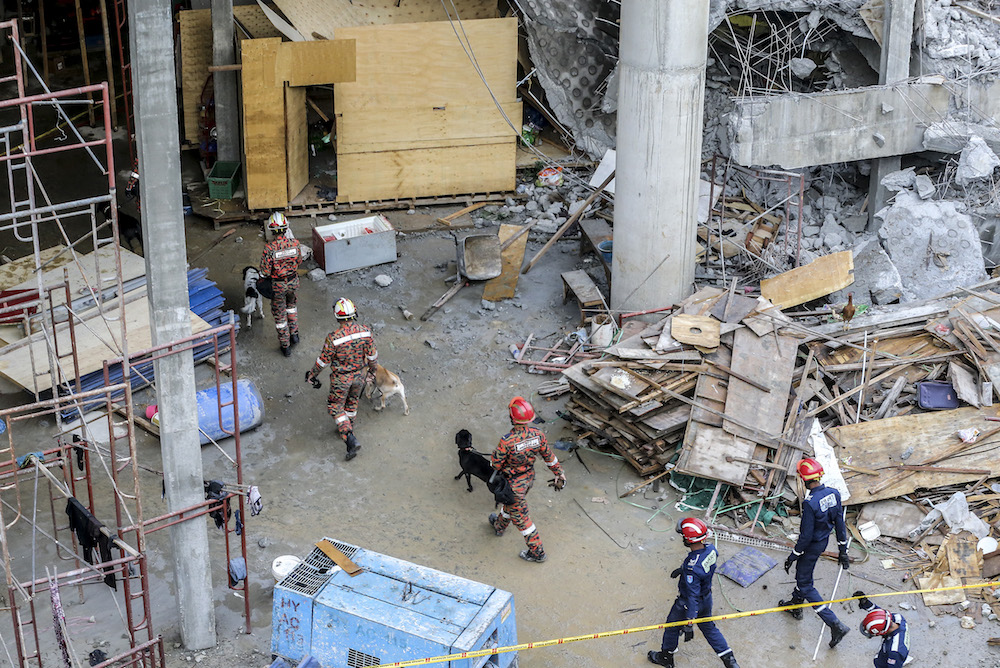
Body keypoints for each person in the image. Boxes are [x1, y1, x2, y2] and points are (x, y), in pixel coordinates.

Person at [778, 457, 851, 648]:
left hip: (810, 547)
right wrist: (843, 550)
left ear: (804, 480)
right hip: (822, 542)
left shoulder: (810, 503)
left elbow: (805, 536)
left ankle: (835, 624)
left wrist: (793, 555)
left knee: (805, 582)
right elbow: (840, 524)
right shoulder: (834, 493)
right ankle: (796, 607)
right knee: (804, 575)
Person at [647, 518, 739, 668]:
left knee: (672, 626)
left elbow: (692, 595)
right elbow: (702, 567)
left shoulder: (692, 568)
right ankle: (731, 662)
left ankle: (666, 657)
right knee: (709, 628)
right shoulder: (711, 550)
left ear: (687, 540)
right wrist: (683, 570)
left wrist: (690, 620)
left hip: (688, 604)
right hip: (707, 598)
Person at [488, 396, 565, 563]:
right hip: (528, 479)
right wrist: (559, 473)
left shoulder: (506, 441)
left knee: (522, 520)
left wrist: (495, 457)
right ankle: (499, 526)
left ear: (512, 418)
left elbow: (495, 464)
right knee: (511, 506)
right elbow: (549, 457)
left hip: (512, 485)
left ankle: (538, 553)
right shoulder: (538, 435)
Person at [304, 298, 377, 461]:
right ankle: (349, 426)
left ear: (337, 316)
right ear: (354, 313)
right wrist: (372, 371)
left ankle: (349, 437)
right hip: (360, 375)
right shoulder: (365, 331)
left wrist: (312, 374)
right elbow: (372, 355)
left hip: (341, 378)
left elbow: (323, 361)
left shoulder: (333, 337)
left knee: (335, 406)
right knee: (352, 402)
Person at [259, 212, 302, 357]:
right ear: (286, 228)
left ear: (271, 230)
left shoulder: (269, 249)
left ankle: (285, 346)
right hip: (293, 282)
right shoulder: (295, 243)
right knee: (291, 308)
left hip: (278, 286)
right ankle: (295, 335)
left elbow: (264, 272)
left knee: (280, 317)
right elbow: (299, 261)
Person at [854, 592, 910, 668]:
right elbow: (881, 615)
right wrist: (866, 603)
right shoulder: (898, 618)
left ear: (883, 632)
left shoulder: (894, 652)